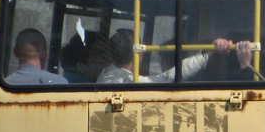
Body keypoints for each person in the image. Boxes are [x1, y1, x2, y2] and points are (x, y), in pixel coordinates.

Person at [97, 29, 234, 84]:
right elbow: (168, 77)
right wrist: (209, 51)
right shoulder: (130, 82)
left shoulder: (104, 75)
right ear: (138, 54)